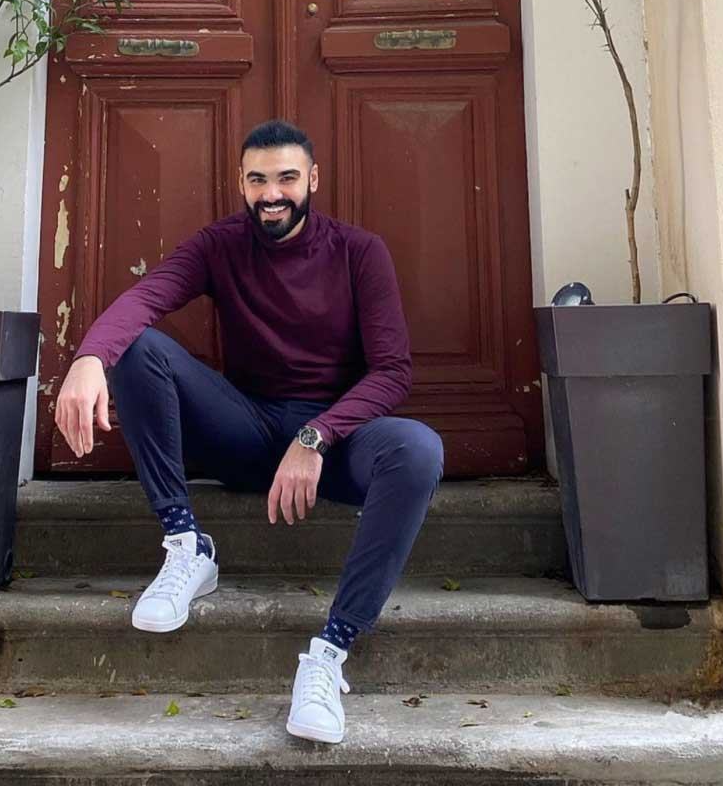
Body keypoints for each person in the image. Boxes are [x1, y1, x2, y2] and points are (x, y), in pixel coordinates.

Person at [55, 119, 443, 744]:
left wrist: (316, 436)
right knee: (135, 347)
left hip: (334, 443)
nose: (272, 194)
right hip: (246, 428)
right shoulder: (219, 245)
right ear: (240, 182)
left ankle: (329, 654)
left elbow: (393, 372)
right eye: (258, 179)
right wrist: (88, 357)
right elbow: (147, 298)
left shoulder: (359, 251)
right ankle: (187, 547)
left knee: (420, 449)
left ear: (313, 179)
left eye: (287, 178)